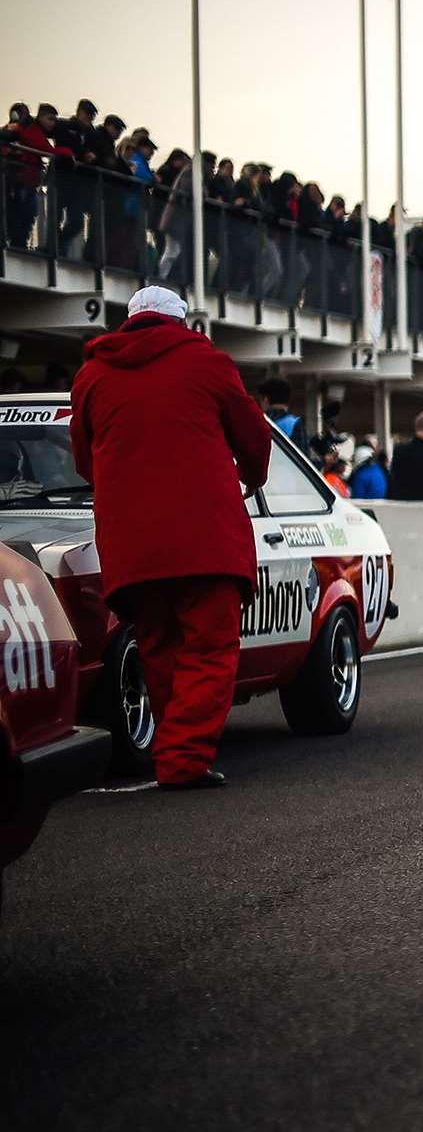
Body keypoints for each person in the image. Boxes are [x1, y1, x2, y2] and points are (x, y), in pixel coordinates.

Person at [67, 284, 268, 790]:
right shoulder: (208, 364)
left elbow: (84, 463)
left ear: (128, 321)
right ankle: (183, 760)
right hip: (206, 538)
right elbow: (253, 435)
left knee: (158, 645)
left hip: (132, 542)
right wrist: (251, 474)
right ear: (181, 323)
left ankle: (174, 751)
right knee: (210, 647)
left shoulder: (91, 375)